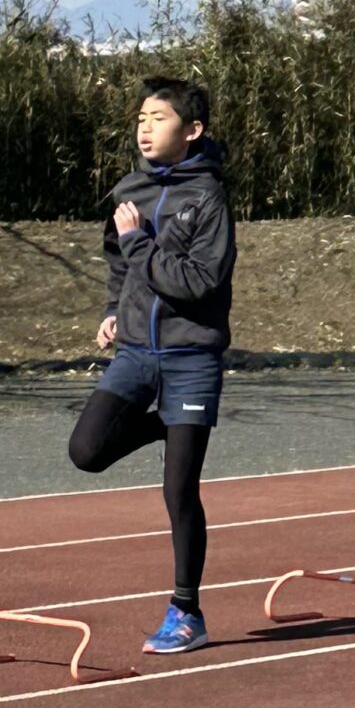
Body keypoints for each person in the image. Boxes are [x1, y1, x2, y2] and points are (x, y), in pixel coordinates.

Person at [68, 75, 236, 654]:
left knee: (179, 490)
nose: (144, 127)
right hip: (137, 352)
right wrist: (114, 308)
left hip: (191, 358)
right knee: (87, 451)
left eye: (158, 118)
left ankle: (187, 613)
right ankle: (169, 425)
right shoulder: (130, 191)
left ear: (192, 131)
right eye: (141, 118)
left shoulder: (208, 199)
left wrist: (140, 244)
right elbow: (118, 261)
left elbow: (197, 281)